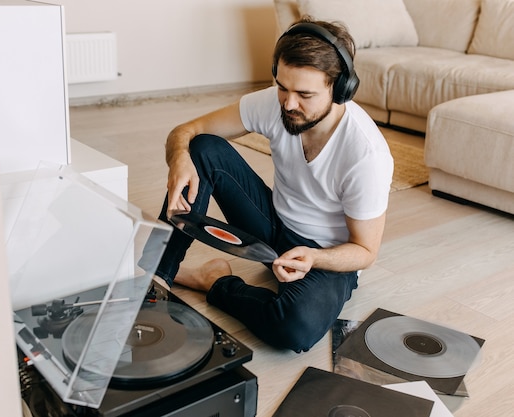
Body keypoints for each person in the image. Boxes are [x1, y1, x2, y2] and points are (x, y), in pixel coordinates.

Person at [153, 17, 393, 353]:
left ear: (339, 89)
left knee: (294, 329)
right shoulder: (275, 102)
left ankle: (214, 281)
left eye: (304, 94)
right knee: (202, 148)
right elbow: (187, 131)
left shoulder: (366, 155)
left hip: (322, 256)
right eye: (283, 87)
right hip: (272, 225)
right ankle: (157, 276)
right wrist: (179, 155)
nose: (289, 103)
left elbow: (365, 252)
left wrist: (313, 257)